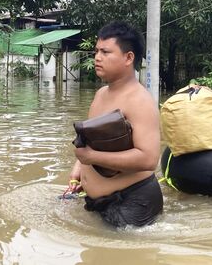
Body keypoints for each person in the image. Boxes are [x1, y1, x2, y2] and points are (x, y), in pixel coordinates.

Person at [68, 22, 163, 228]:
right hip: (99, 202)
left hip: (133, 203)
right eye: (96, 51)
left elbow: (148, 159)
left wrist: (91, 158)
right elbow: (91, 140)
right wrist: (79, 168)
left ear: (128, 57)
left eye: (105, 52)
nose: (97, 57)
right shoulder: (101, 94)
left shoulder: (140, 101)